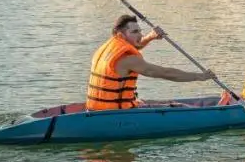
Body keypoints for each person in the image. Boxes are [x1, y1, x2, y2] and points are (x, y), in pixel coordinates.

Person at [85, 14, 216, 110]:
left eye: (140, 31)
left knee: (163, 102)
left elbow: (135, 45)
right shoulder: (128, 59)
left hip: (95, 109)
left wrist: (151, 36)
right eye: (135, 32)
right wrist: (200, 76)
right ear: (121, 34)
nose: (140, 35)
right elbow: (166, 73)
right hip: (117, 113)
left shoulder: (109, 47)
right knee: (178, 106)